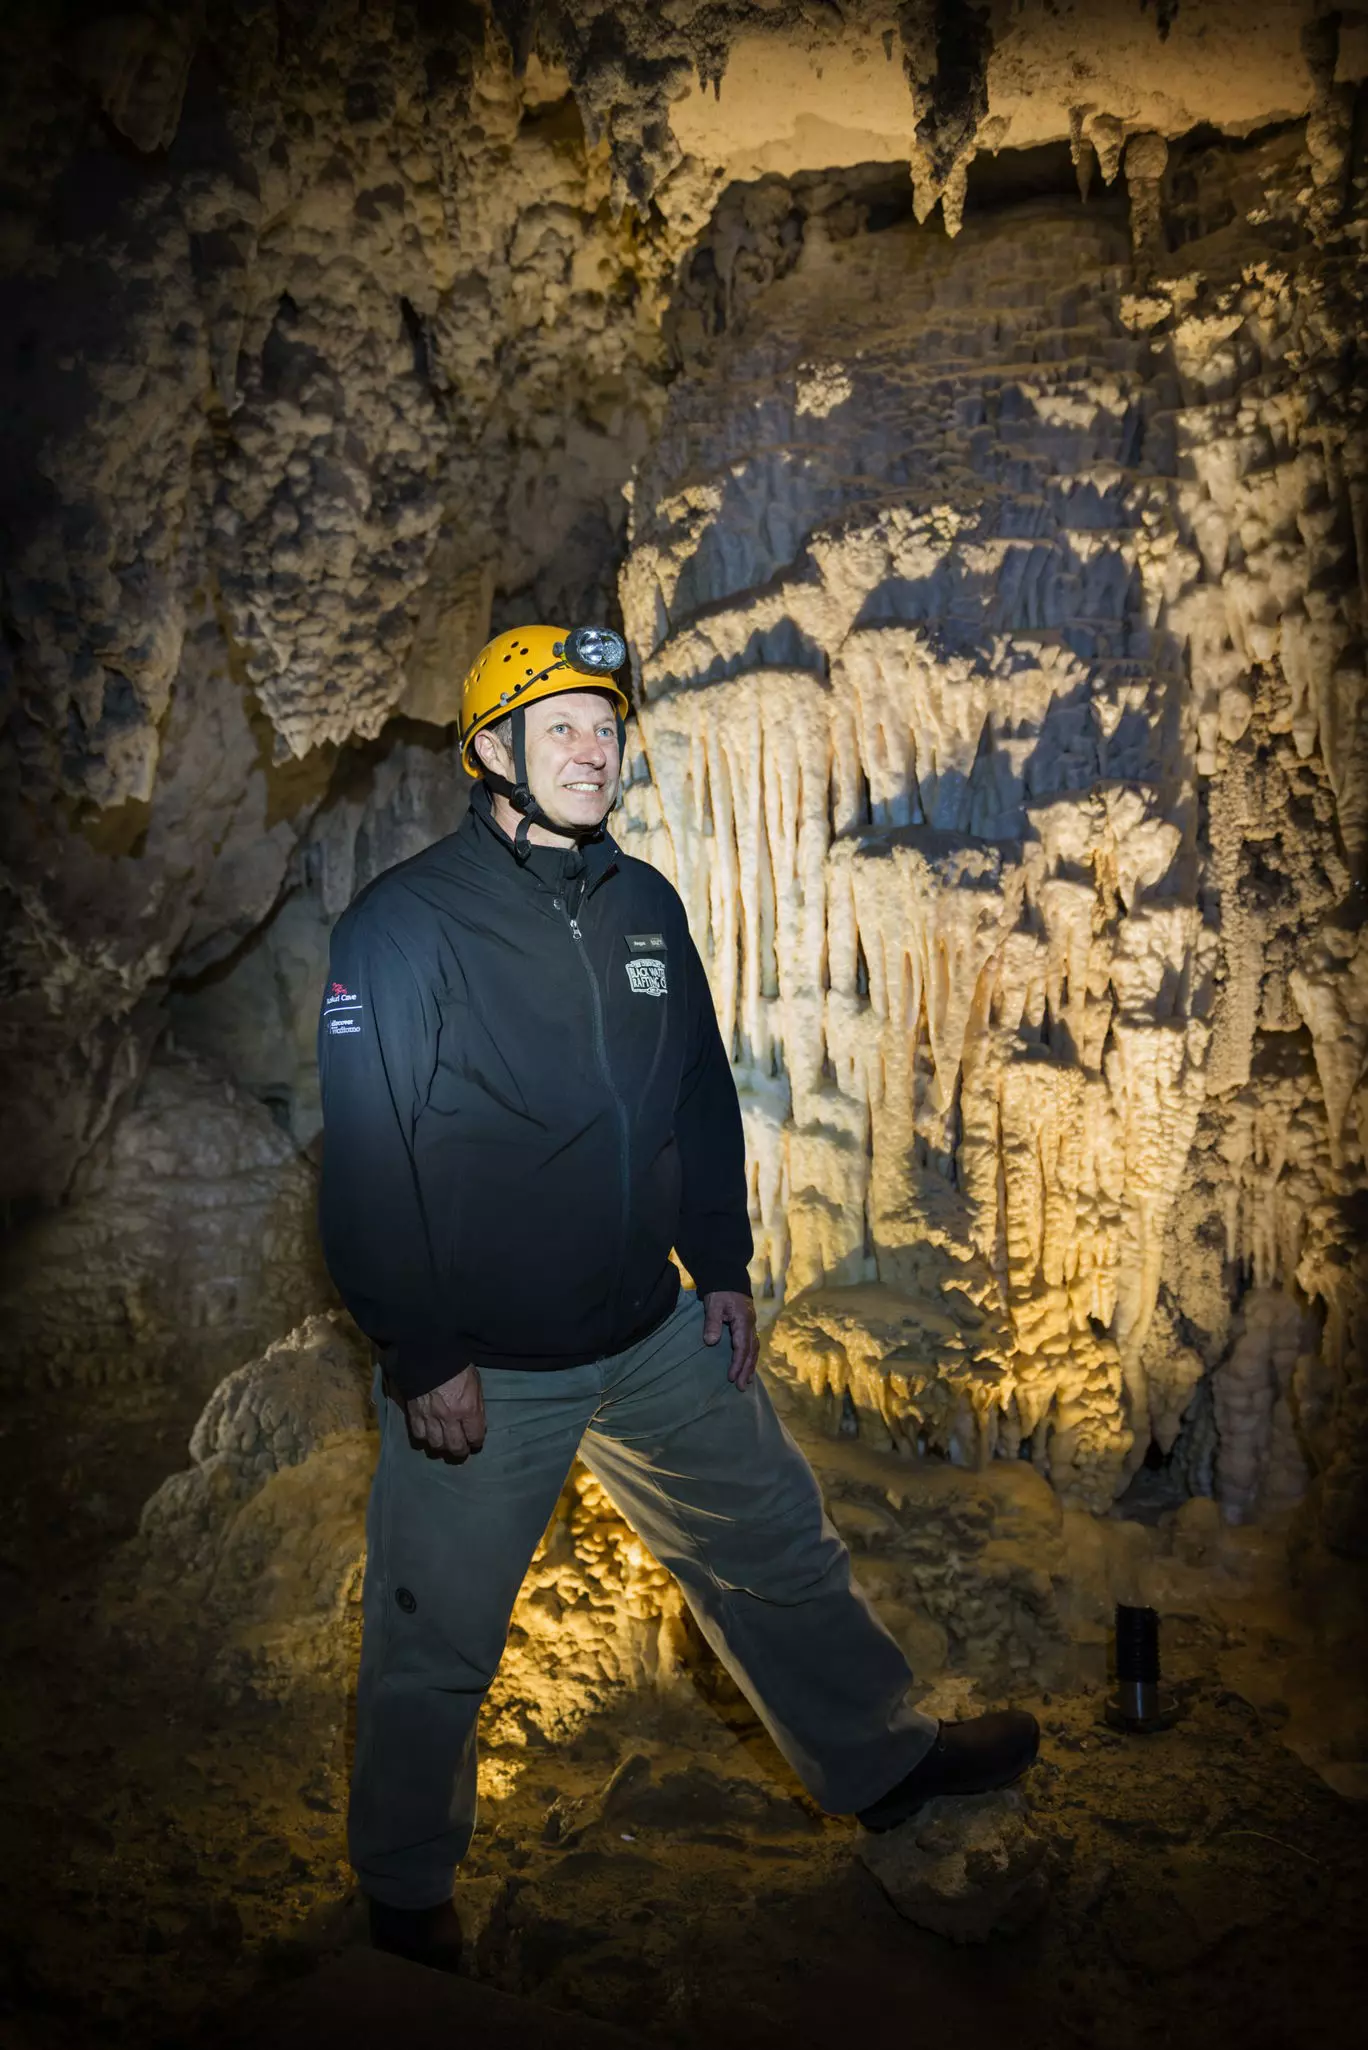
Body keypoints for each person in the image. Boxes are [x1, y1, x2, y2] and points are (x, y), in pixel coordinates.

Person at [317, 623, 1039, 1971]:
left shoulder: (643, 902)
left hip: (647, 1329)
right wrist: (421, 1349)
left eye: (605, 727)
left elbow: (698, 1090)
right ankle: (405, 1895)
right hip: (489, 1361)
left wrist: (722, 1261)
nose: (594, 751)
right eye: (562, 728)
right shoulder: (403, 925)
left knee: (776, 1544)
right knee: (436, 1634)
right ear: (492, 754)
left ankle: (882, 1759)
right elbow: (365, 1153)